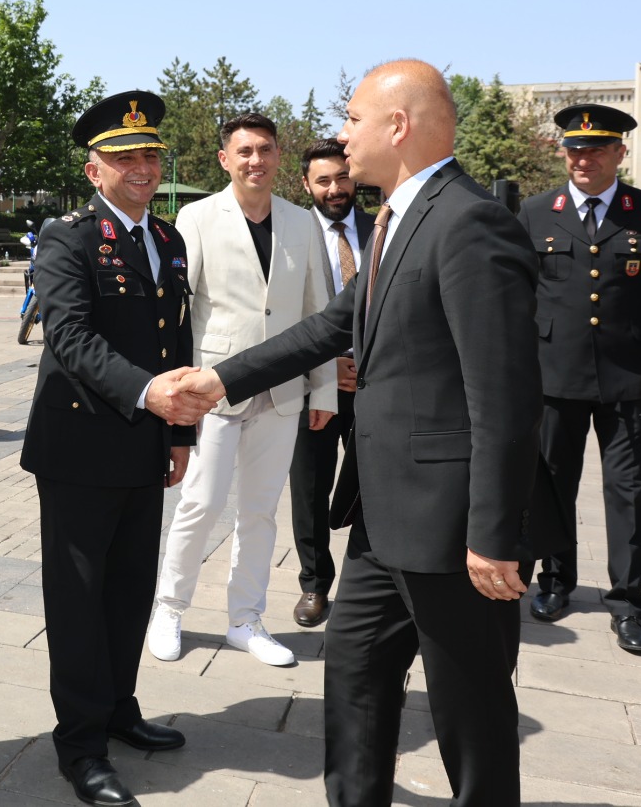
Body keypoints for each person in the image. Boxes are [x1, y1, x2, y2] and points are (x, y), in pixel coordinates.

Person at [176, 60, 542, 807]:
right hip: (379, 522)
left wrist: (495, 534)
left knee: (469, 715)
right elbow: (334, 326)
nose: (343, 137)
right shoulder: (397, 218)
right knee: (352, 683)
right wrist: (221, 379)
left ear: (398, 126)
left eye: (352, 119)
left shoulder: (468, 221)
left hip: (452, 531)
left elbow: (504, 394)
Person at [22, 89, 210, 807]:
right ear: (93, 168)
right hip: (79, 446)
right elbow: (68, 338)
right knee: (78, 599)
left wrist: (180, 430)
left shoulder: (166, 240)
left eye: (151, 154)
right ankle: (81, 744)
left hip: (144, 441)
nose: (143, 166)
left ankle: (119, 707)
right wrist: (149, 396)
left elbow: (178, 341)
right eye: (125, 157)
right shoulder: (67, 236)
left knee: (130, 590)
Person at [147, 112, 337, 668]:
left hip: (282, 391)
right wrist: (181, 391)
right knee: (199, 504)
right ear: (226, 159)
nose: (257, 160)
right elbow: (179, 311)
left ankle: (244, 619)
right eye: (245, 151)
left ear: (280, 156)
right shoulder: (198, 217)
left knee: (260, 511)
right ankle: (169, 607)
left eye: (267, 149)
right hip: (215, 388)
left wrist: (323, 390)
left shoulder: (302, 223)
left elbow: (317, 312)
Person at [517, 104, 641, 656]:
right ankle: (555, 581)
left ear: (619, 152)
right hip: (553, 376)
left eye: (595, 149)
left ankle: (628, 602)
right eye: (573, 149)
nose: (582, 158)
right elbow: (516, 297)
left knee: (629, 491)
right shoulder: (537, 212)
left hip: (629, 378)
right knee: (553, 485)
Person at [288, 138, 375, 628]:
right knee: (310, 488)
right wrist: (322, 369)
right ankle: (314, 584)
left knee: (375, 486)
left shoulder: (386, 226)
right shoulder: (292, 235)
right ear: (306, 185)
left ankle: (371, 583)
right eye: (323, 180)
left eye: (342, 177)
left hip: (375, 383)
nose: (335, 188)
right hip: (313, 384)